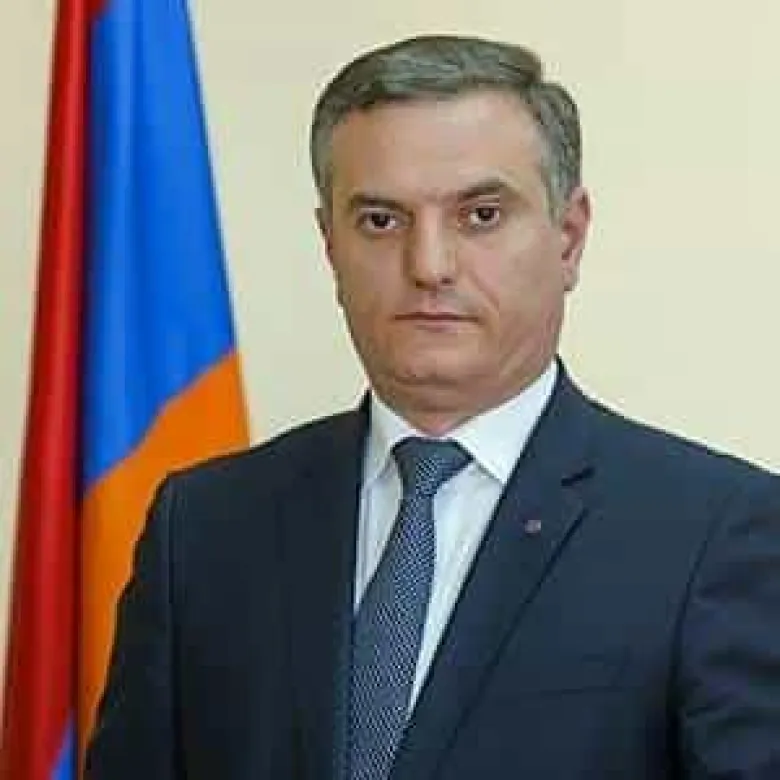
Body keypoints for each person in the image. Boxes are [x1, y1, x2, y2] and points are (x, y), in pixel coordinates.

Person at [85, 34, 780, 779]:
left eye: (480, 215)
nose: (429, 266)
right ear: (330, 246)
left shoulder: (718, 533)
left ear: (569, 237)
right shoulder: (203, 527)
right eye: (381, 221)